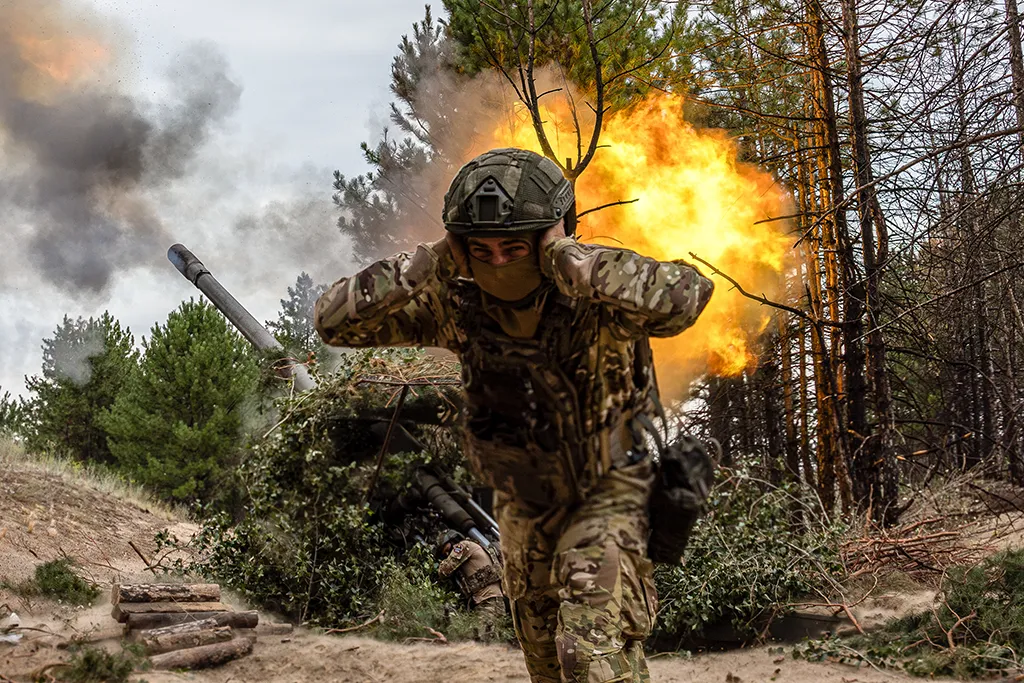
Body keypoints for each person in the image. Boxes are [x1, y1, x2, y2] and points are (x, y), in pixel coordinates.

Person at [315, 147, 714, 682]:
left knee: (587, 651)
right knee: (546, 659)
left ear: (552, 234)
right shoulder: (457, 303)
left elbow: (686, 296)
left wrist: (575, 262)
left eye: (514, 247)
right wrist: (427, 263)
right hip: (524, 501)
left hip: (611, 490)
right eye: (482, 249)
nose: (499, 262)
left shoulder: (601, 293)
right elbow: (334, 322)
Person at [436, 530, 506, 638]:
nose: (447, 554)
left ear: (453, 540)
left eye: (447, 549)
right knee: (489, 641)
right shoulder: (473, 546)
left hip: (488, 602)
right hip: (491, 601)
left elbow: (444, 570)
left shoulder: (461, 546)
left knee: (481, 641)